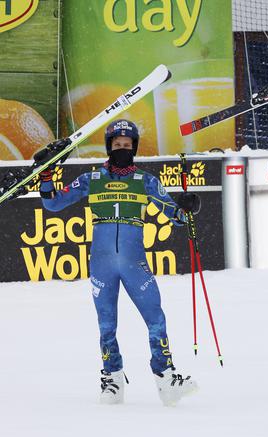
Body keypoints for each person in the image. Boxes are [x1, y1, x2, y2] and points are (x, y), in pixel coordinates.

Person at [38, 119, 200, 406]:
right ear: (109, 147)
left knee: (155, 318)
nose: (122, 149)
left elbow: (174, 215)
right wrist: (47, 176)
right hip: (101, 264)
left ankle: (166, 378)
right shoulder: (91, 179)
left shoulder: (146, 181)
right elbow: (53, 203)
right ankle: (112, 380)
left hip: (134, 263)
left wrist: (187, 207)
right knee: (106, 323)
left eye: (127, 146)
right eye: (117, 145)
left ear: (134, 148)